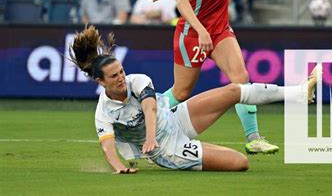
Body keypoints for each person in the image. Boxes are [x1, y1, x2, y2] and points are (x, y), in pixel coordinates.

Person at [69, 25, 316, 172]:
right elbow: (107, 146)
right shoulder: (104, 111)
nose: (121, 78)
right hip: (167, 150)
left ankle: (299, 93)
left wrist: (151, 136)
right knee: (240, 163)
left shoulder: (138, 80)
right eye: (114, 76)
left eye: (121, 71)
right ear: (101, 82)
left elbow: (150, 109)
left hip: (173, 120)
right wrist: (119, 167)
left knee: (234, 89)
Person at [142, 0, 280, 154]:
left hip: (219, 31)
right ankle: (144, 119)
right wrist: (200, 29)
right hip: (193, 34)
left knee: (241, 80)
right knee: (181, 92)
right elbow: (182, 3)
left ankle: (254, 138)